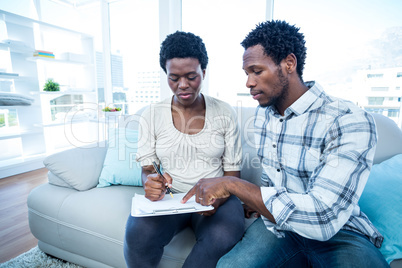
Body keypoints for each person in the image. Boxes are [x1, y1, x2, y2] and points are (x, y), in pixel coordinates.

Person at [182, 20, 389, 267]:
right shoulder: (264, 116)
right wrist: (253, 202)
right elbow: (272, 181)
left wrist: (234, 184)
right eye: (246, 74)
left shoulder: (347, 119)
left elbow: (323, 218)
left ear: (289, 63)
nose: (248, 82)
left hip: (340, 233)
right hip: (279, 228)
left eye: (257, 71)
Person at [123, 31, 244, 268]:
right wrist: (151, 182)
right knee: (137, 234)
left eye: (191, 76)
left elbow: (233, 175)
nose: (183, 85)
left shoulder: (225, 112)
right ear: (166, 76)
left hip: (217, 196)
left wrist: (217, 199)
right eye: (174, 78)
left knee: (223, 235)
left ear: (204, 73)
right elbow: (148, 168)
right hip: (171, 197)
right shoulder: (152, 114)